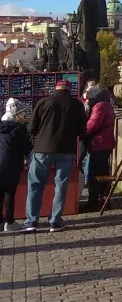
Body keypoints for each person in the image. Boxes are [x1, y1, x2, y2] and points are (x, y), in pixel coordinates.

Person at [24, 80, 86, 232]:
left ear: (56, 89)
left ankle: (32, 221)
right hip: (66, 149)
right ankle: (55, 221)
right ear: (69, 90)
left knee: (35, 184)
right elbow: (82, 131)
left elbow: (31, 128)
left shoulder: (43, 102)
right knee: (61, 185)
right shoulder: (77, 105)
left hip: (43, 148)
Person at [0, 99, 33, 232]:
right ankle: (9, 221)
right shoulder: (18, 129)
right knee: (9, 193)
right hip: (10, 164)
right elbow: (28, 149)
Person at [82, 85, 115, 211]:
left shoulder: (100, 106)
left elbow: (92, 124)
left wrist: (80, 133)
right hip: (104, 142)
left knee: (94, 173)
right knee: (101, 172)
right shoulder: (105, 104)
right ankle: (104, 201)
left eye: (88, 99)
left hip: (99, 143)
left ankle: (93, 203)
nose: (87, 102)